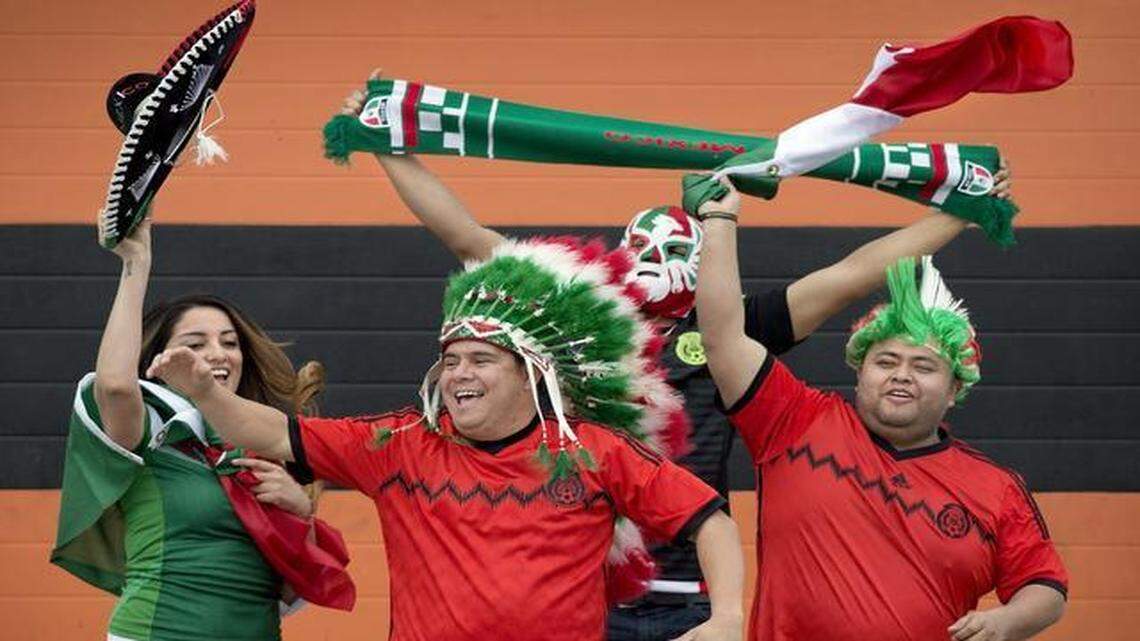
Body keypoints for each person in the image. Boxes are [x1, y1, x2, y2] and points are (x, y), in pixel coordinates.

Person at [340, 70, 1013, 640]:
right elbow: (469, 238)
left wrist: (964, 209)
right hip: (580, 580)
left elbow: (852, 274)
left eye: (677, 248)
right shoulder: (578, 312)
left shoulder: (727, 328)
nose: (659, 262)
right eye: (647, 247)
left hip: (691, 586)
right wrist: (384, 146)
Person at [144, 233, 746, 641]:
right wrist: (206, 393)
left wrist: (726, 617)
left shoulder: (593, 450)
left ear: (528, 372)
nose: (458, 373)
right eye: (450, 359)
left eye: (480, 359)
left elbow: (708, 519)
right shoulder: (399, 443)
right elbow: (274, 432)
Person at [692, 179, 1068, 640]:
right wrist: (720, 220)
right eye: (886, 361)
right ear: (860, 371)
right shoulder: (793, 421)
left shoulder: (997, 489)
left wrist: (1008, 621)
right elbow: (722, 336)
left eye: (924, 366)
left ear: (954, 389)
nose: (901, 374)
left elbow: (1044, 585)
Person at [51, 218, 334, 641]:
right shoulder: (150, 433)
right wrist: (136, 262)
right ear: (159, 360)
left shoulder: (268, 449)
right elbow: (114, 385)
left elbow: (294, 588)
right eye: (196, 344)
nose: (216, 355)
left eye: (229, 342)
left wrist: (300, 512)